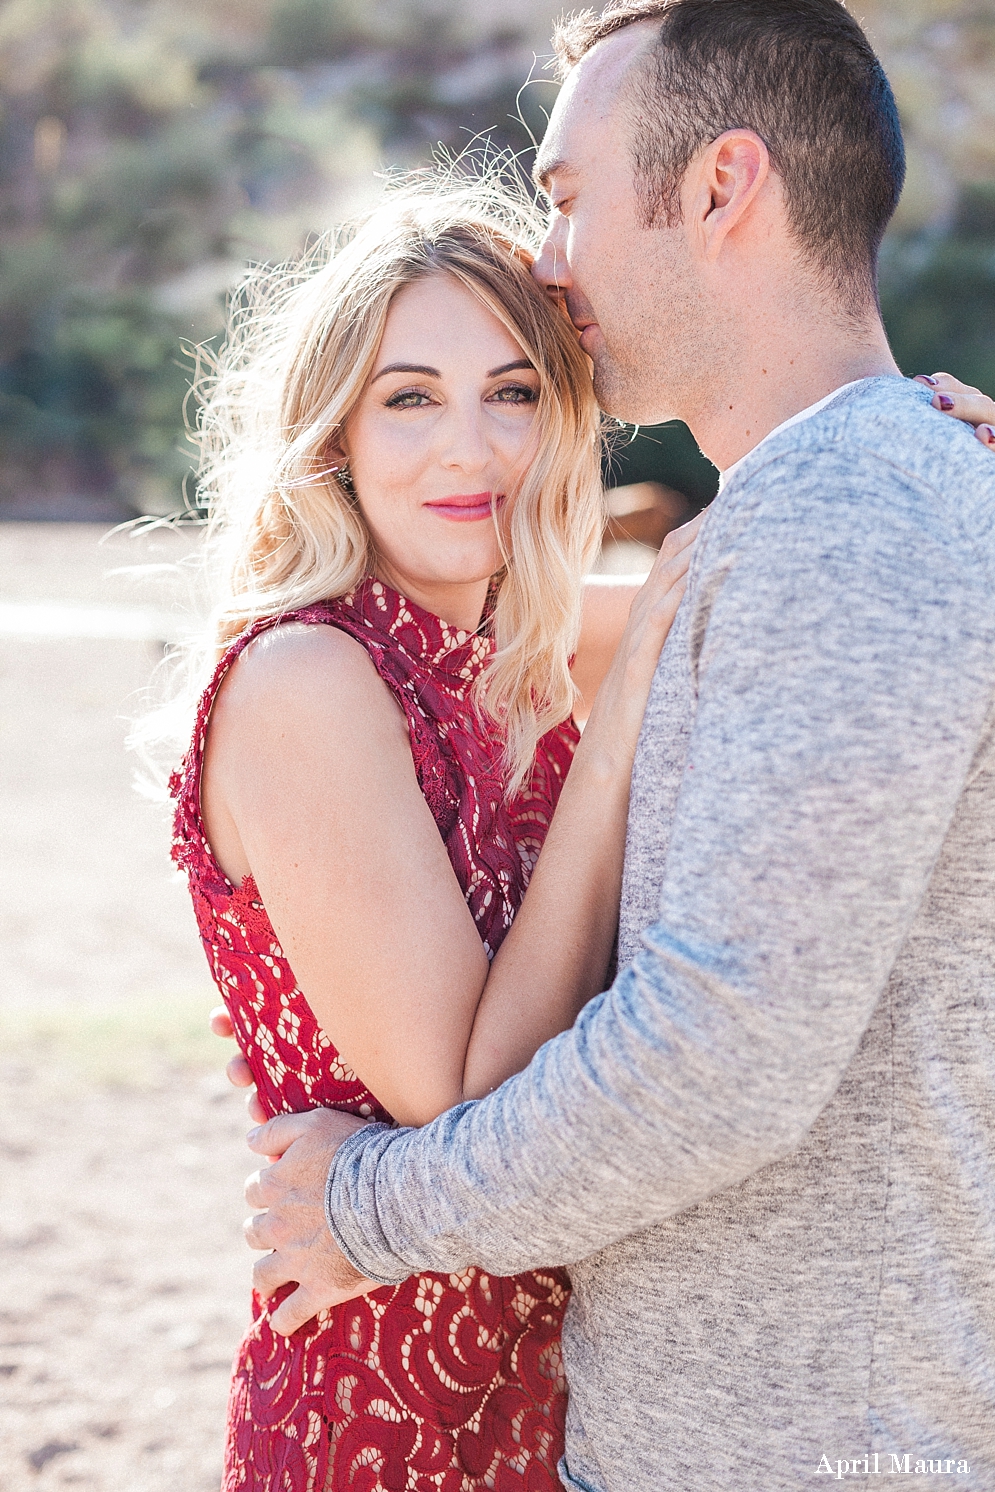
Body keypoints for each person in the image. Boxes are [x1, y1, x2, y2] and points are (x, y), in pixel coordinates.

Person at [236, 4, 995, 1489]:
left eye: (568, 198)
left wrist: (370, 1209)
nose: (545, 257)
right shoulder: (783, 528)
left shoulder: (851, 524)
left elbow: (720, 1055)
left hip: (809, 1453)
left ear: (722, 187)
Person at [169, 184, 703, 1490]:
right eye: (410, 397)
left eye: (513, 392)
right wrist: (616, 729)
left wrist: (940, 436)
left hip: (594, 1387)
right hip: (392, 1404)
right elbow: (465, 1108)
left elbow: (781, 572)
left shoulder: (527, 635)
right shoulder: (309, 680)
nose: (468, 448)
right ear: (336, 431)